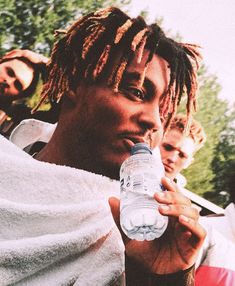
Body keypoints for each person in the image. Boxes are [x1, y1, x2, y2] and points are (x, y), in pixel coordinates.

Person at [0, 7, 206, 285]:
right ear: (74, 81)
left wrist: (160, 277)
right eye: (137, 92)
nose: (154, 122)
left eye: (164, 112)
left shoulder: (129, 242)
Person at [157, 114, 235, 285]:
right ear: (156, 141)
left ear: (189, 162)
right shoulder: (120, 178)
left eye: (182, 155)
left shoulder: (188, 216)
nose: (172, 158)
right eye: (168, 147)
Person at [0, 50, 58, 137]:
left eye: (17, 85)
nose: (8, 82)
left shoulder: (14, 115)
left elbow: (57, 116)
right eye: (9, 72)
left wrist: (42, 62)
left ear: (20, 96)